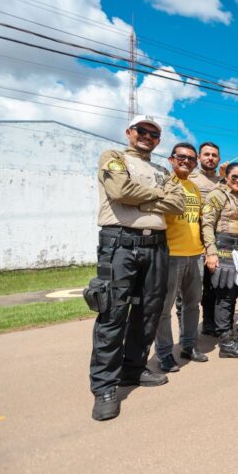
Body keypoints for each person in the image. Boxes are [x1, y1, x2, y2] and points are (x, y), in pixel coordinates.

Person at [88, 115, 185, 421]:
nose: (147, 136)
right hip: (120, 243)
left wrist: (140, 200)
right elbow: (119, 191)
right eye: (142, 130)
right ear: (129, 132)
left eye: (153, 134)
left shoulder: (163, 171)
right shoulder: (113, 157)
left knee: (148, 312)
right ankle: (104, 387)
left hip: (156, 245)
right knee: (113, 314)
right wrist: (158, 196)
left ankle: (133, 369)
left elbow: (178, 204)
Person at [154, 143, 209, 373]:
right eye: (181, 157)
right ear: (171, 159)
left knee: (192, 305)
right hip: (171, 255)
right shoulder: (164, 183)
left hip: (195, 255)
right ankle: (164, 353)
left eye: (191, 159)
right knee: (164, 309)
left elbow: (199, 220)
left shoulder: (194, 188)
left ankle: (188, 346)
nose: (186, 161)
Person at [201, 163, 238, 359]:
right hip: (223, 248)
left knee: (232, 293)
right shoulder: (217, 194)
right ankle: (226, 342)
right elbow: (207, 223)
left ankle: (222, 332)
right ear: (226, 176)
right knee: (225, 295)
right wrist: (211, 251)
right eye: (234, 177)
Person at [187, 141, 222, 337]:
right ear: (199, 157)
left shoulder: (223, 180)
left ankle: (210, 323)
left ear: (219, 159)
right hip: (192, 240)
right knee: (191, 290)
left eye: (214, 155)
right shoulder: (190, 178)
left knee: (213, 285)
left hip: (217, 240)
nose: (210, 158)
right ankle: (187, 334)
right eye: (207, 154)